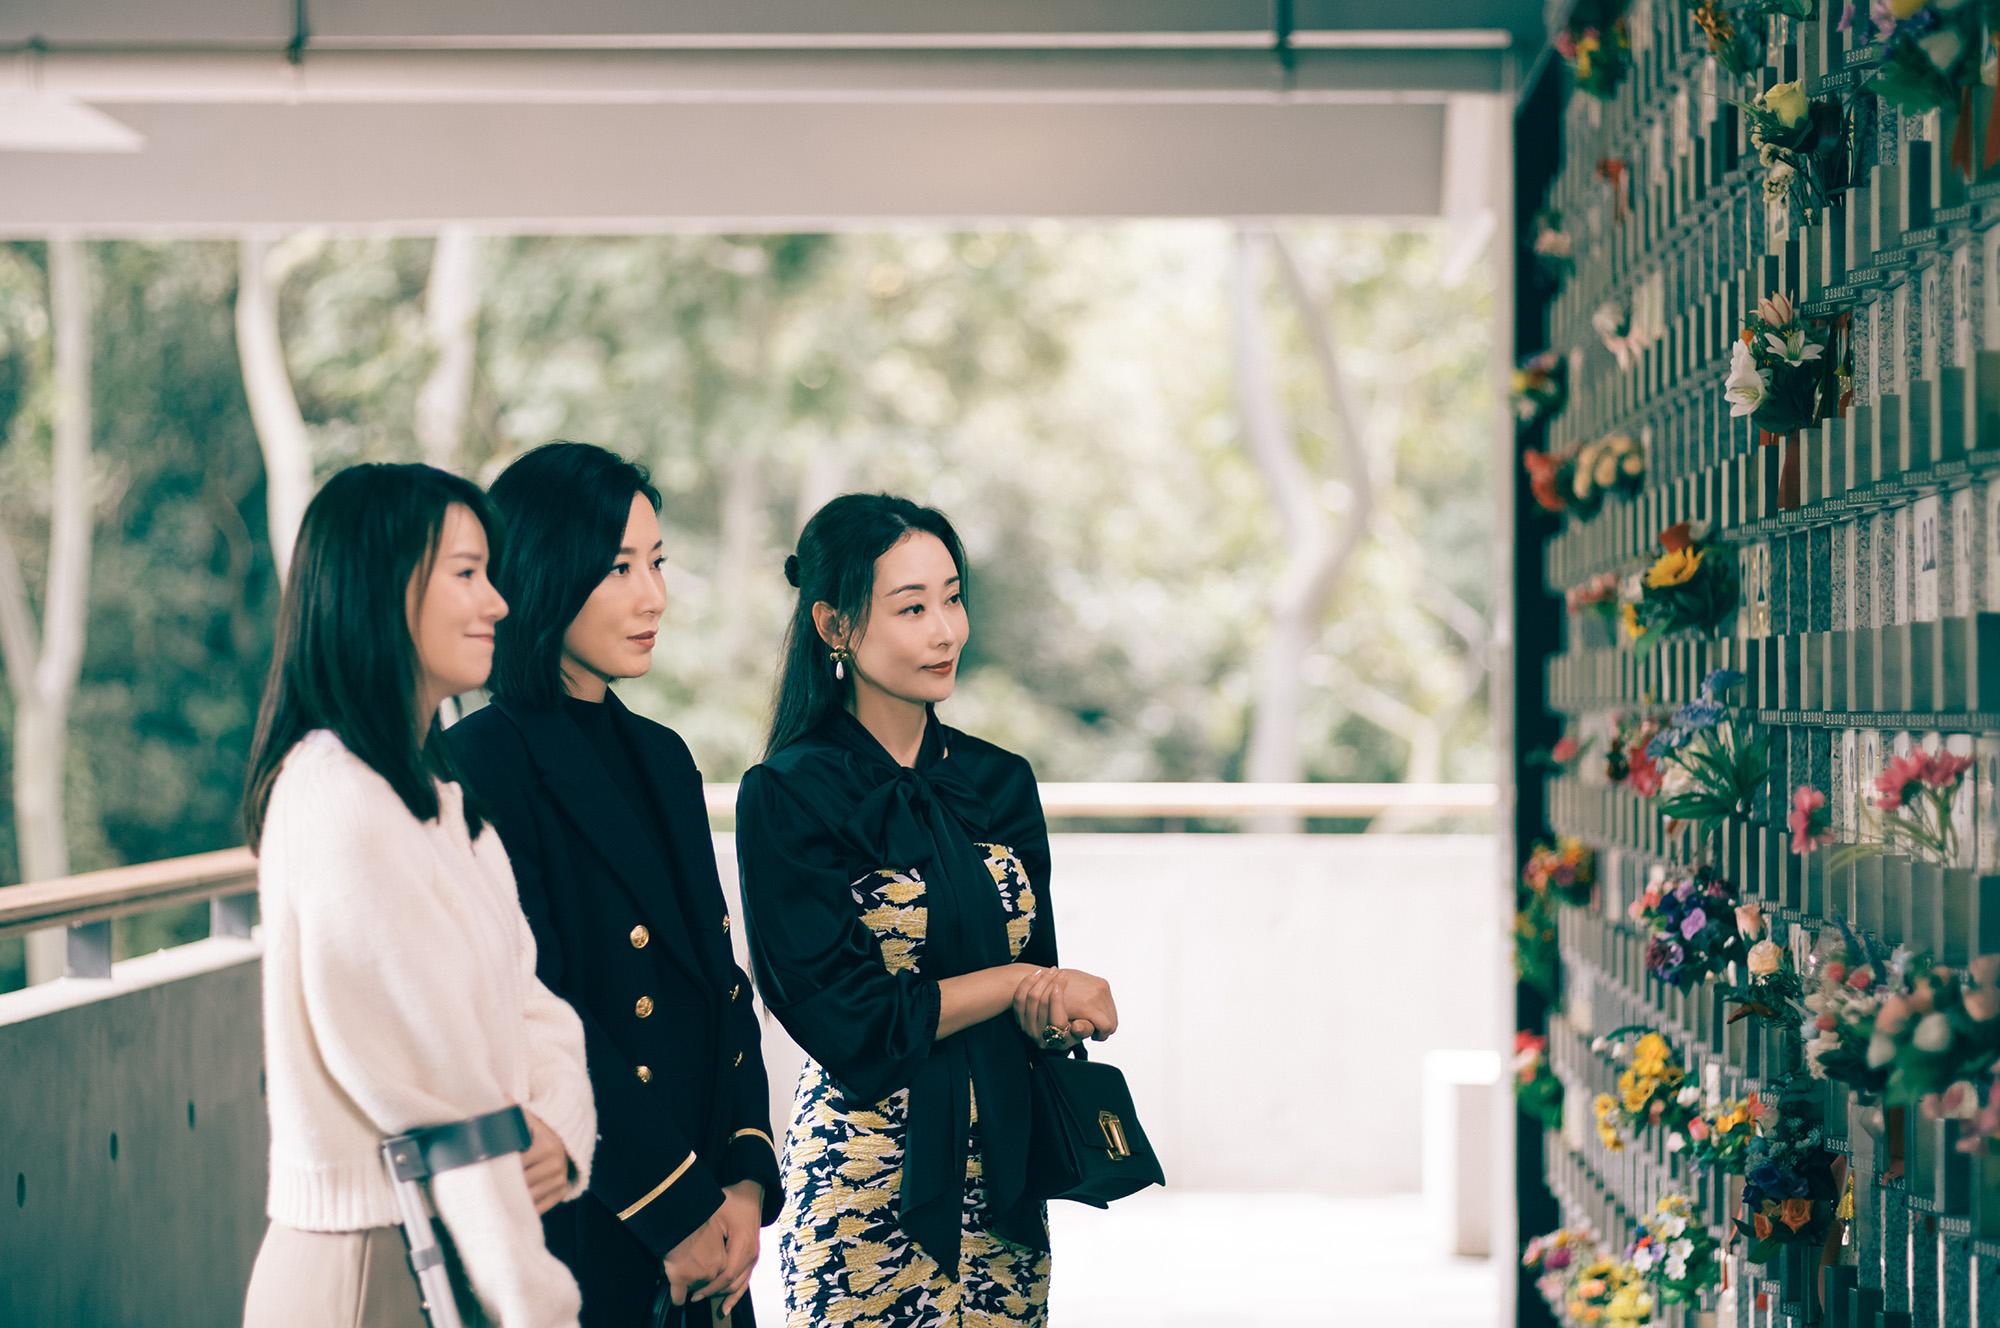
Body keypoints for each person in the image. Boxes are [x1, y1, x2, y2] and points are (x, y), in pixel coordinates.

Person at [735, 493, 1120, 1327]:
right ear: (835, 625)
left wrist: (1051, 1013)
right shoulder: (787, 793)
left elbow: (1037, 976)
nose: (947, 631)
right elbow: (852, 1021)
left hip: (1006, 1175)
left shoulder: (1001, 781)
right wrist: (1016, 982)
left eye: (953, 599)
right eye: (912, 608)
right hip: (865, 1178)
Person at [241, 463, 596, 1328]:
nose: (498, 603)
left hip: (445, 1250)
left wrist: (557, 1128)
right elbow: (446, 1099)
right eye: (466, 573)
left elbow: (532, 1005)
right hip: (370, 1268)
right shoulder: (338, 798)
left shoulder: (437, 802)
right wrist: (539, 1304)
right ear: (379, 588)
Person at [450, 442, 779, 1326]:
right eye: (619, 567)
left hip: (712, 1224)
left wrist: (745, 1183)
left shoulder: (663, 756)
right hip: (602, 1213)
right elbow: (543, 1010)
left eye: (657, 562)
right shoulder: (482, 762)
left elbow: (721, 986)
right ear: (546, 572)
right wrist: (676, 1211)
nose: (653, 596)